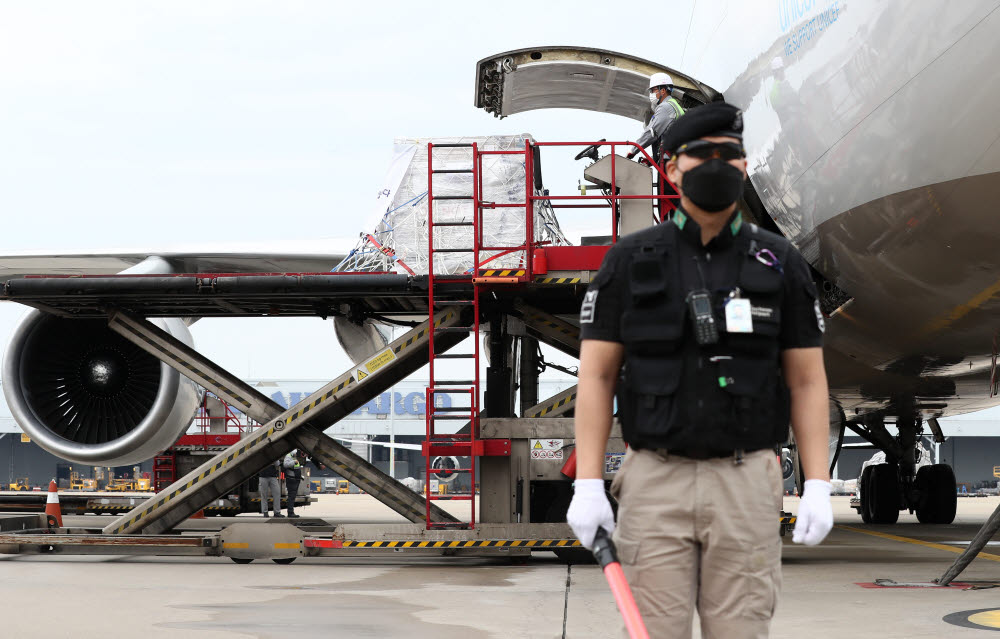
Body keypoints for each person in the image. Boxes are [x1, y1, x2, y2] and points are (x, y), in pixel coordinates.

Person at [568, 101, 833, 639]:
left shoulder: (781, 263)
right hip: (654, 483)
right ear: (670, 168)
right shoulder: (628, 261)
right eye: (701, 154)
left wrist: (819, 485)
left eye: (730, 154)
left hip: (747, 483)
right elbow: (595, 377)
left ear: (743, 166)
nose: (717, 163)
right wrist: (589, 484)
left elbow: (807, 381)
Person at [627, 72, 685, 164]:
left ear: (662, 91)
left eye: (653, 90)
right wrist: (652, 159)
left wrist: (633, 150)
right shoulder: (674, 105)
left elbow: (652, 132)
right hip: (676, 156)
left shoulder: (665, 107)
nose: (651, 94)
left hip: (671, 160)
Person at [283, 450, 307, 518]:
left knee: (292, 496)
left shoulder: (293, 457)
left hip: (295, 479)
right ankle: (290, 512)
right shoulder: (289, 456)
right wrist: (294, 462)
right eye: (296, 453)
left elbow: (296, 468)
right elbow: (285, 465)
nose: (297, 455)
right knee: (291, 496)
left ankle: (291, 512)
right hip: (291, 479)